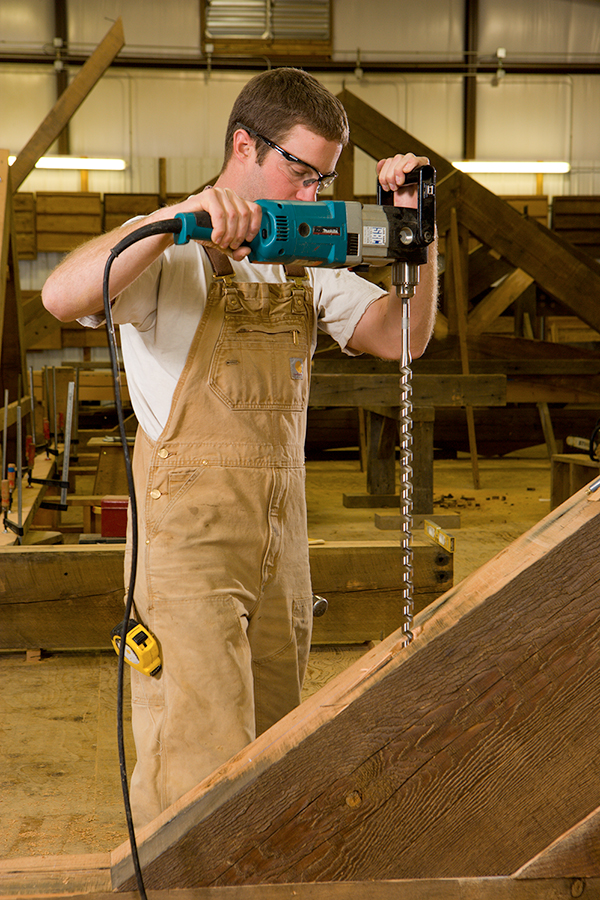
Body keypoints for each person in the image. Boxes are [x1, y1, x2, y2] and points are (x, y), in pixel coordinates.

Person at [42, 67, 438, 828]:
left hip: (279, 544)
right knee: (199, 762)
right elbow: (63, 297)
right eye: (301, 172)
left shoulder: (303, 260)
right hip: (188, 551)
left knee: (275, 752)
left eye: (325, 177)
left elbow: (405, 336)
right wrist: (180, 216)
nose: (313, 195)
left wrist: (420, 236)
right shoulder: (173, 252)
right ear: (243, 145)